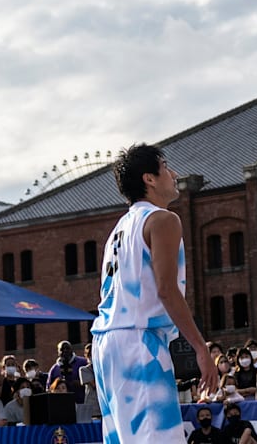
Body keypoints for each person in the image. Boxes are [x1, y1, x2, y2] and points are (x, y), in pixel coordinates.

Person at [91, 144, 220, 443]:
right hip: (137, 341)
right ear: (149, 178)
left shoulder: (118, 229)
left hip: (105, 344)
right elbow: (166, 289)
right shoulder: (163, 219)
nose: (174, 174)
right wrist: (201, 348)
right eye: (166, 167)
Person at [47, 341, 88, 406]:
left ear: (72, 350)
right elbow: (48, 389)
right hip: (62, 405)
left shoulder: (83, 363)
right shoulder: (54, 369)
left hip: (82, 403)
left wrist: (78, 383)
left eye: (67, 348)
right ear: (58, 352)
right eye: (62, 349)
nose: (65, 351)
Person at [78, 343, 100, 422]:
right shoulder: (84, 370)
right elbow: (95, 385)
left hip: (105, 407)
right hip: (93, 408)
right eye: (90, 354)